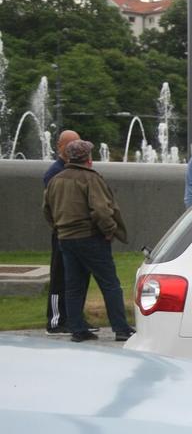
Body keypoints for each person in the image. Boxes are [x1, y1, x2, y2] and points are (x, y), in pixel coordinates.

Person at [43, 140, 134, 343]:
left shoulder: (56, 180)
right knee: (110, 284)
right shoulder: (90, 178)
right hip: (90, 238)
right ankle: (121, 328)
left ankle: (78, 330)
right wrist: (110, 230)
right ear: (87, 158)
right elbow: (101, 210)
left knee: (73, 286)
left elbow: (46, 210)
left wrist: (59, 228)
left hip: (65, 239)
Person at [41, 130, 96, 335]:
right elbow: (51, 207)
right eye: (71, 144)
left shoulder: (77, 170)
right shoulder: (54, 173)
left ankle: (75, 318)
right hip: (63, 233)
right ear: (60, 147)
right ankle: (55, 320)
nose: (75, 147)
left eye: (78, 143)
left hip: (78, 233)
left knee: (78, 277)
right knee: (59, 277)